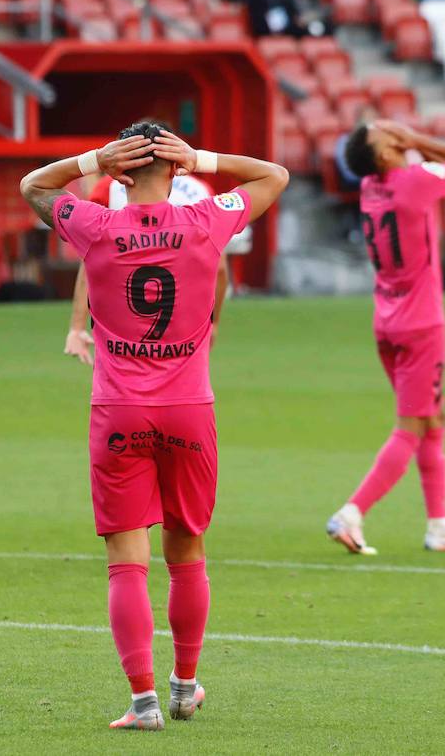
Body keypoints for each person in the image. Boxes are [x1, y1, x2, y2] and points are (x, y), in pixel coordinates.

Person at [19, 121, 289, 731]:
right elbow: (274, 175)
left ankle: (142, 703)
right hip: (188, 409)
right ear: (176, 171)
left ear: (120, 170)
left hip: (119, 410)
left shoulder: (95, 226)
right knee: (187, 551)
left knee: (126, 560)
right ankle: (185, 686)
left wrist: (91, 159)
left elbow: (33, 185)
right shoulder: (205, 221)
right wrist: (203, 156)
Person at [325, 120, 445, 556]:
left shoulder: (369, 188)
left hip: (387, 318)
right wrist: (418, 141)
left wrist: (403, 145)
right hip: (421, 324)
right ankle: (351, 513)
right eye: (386, 134)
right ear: (383, 155)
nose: (396, 133)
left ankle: (439, 526)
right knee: (411, 426)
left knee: (434, 419)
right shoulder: (414, 182)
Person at [64, 170, 229, 366]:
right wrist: (214, 323)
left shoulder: (108, 187)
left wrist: (77, 326)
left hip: (121, 318)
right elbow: (220, 268)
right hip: (184, 322)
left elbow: (90, 259)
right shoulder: (199, 189)